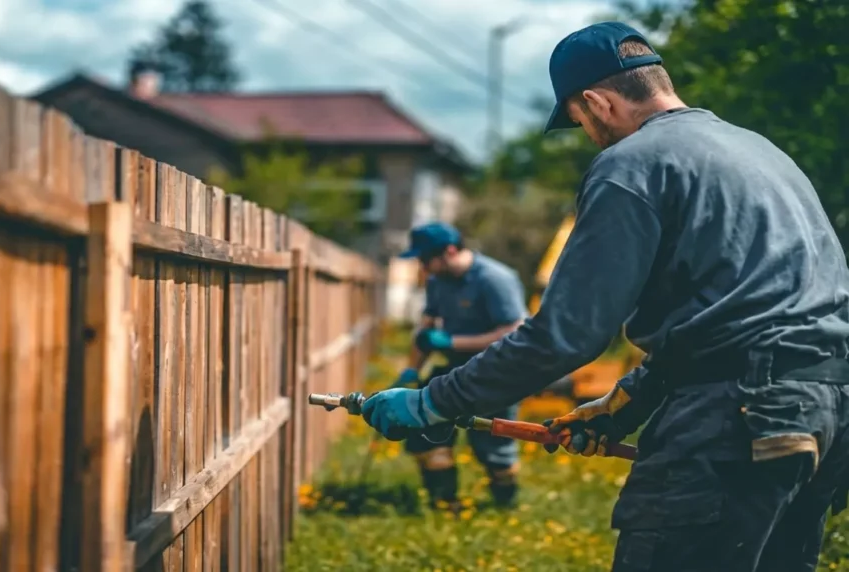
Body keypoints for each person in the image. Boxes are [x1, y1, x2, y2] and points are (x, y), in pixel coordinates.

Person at [360, 20, 849, 572]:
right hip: (824, 412)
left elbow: (565, 335)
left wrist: (434, 402)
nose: (592, 137)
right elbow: (751, 313)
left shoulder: (632, 165)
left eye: (581, 122)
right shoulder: (759, 153)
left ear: (598, 102)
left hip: (737, 416)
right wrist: (622, 407)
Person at [393, 221, 529, 511]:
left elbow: (514, 332)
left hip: (499, 372)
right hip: (458, 367)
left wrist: (451, 342)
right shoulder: (437, 282)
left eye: (425, 259)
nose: (423, 267)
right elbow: (426, 329)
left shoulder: (495, 279)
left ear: (450, 251)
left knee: (491, 447)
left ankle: (505, 505)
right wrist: (411, 372)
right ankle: (445, 504)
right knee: (425, 427)